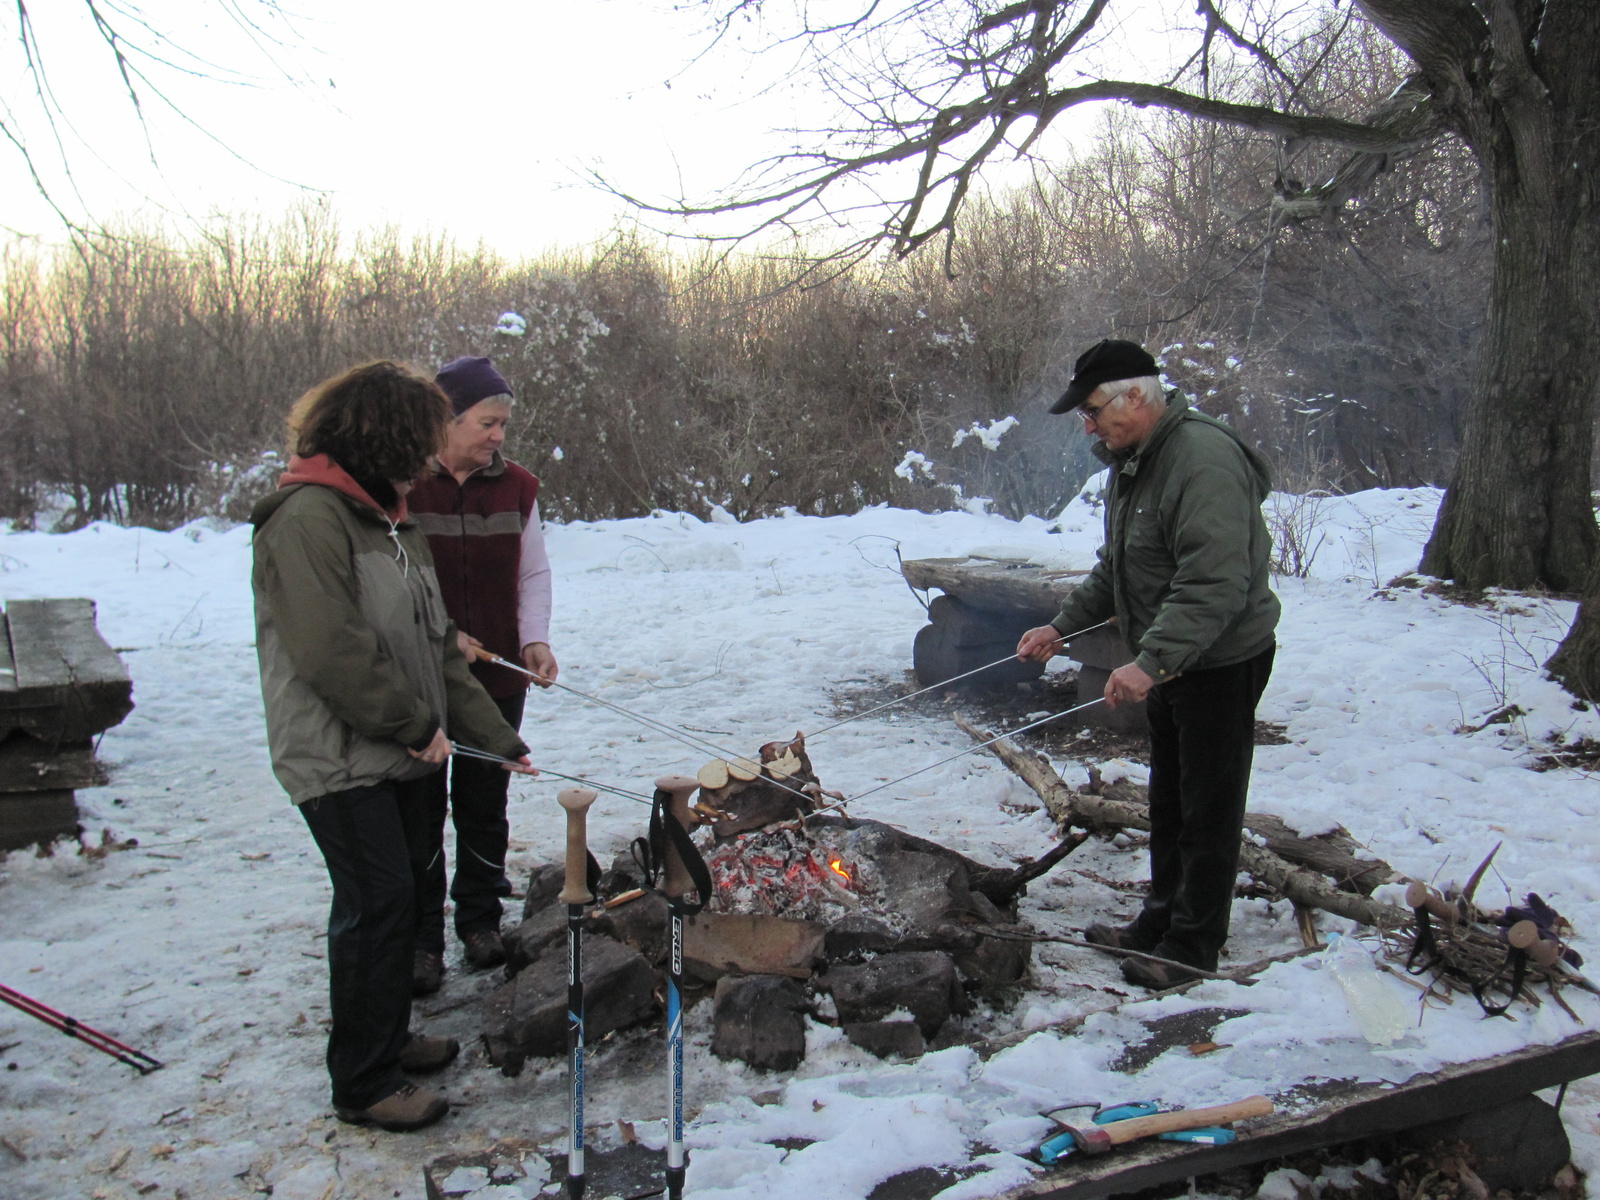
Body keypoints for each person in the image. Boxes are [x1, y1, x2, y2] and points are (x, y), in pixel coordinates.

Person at [251, 360, 534, 1131]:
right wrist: (416, 725)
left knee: (402, 899)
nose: (429, 460)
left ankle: (387, 1039)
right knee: (376, 906)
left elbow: (439, 643)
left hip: (401, 752)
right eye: (419, 441)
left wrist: (496, 738)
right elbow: (330, 651)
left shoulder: (391, 518)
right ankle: (364, 1082)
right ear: (380, 437)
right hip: (339, 757)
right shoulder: (306, 520)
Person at [1017, 339, 1280, 988]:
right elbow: (1118, 568)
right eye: (1083, 414)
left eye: (1094, 409)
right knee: (1170, 801)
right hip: (1173, 659)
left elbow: (1214, 582)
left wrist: (1151, 661)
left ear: (1137, 395)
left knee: (1208, 808)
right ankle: (1159, 920)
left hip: (1219, 659)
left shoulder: (1202, 460)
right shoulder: (1133, 464)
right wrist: (1061, 626)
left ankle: (1192, 948)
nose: (1089, 425)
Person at [404, 355, 557, 993]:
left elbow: (533, 572)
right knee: (417, 811)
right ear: (447, 419)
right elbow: (393, 577)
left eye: (502, 425)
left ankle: (479, 921)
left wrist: (534, 640)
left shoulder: (517, 487)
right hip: (420, 679)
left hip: (495, 678)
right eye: (487, 423)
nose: (498, 437)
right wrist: (441, 633)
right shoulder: (404, 484)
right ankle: (419, 943)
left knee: (483, 803)